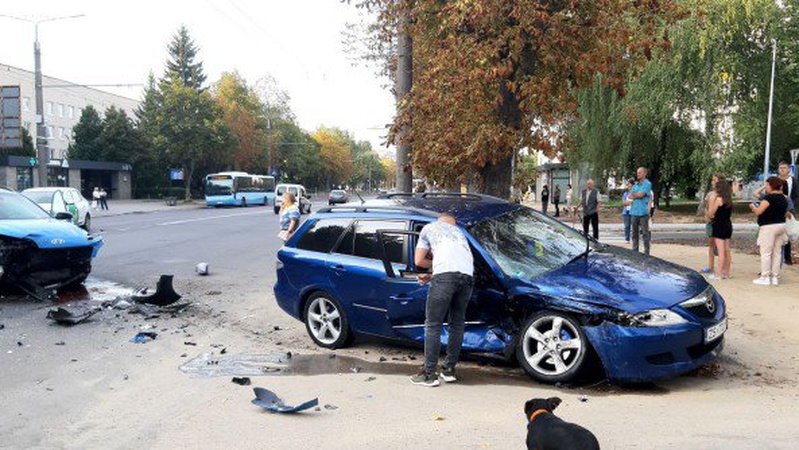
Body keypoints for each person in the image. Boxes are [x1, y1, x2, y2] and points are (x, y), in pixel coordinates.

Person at [411, 213, 474, 387]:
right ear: (453, 223)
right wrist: (434, 273)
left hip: (445, 277)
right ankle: (449, 370)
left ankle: (429, 374)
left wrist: (432, 269)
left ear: (439, 220)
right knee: (457, 324)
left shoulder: (429, 228)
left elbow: (418, 260)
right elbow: (455, 264)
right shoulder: (461, 234)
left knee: (433, 324)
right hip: (467, 278)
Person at [750, 176, 789, 286]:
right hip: (781, 225)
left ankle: (765, 277)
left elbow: (759, 211)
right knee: (777, 252)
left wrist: (753, 207)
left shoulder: (768, 198)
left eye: (767, 185)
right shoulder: (784, 198)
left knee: (766, 252)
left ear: (771, 186)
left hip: (768, 227)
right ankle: (775, 277)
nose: (766, 187)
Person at [706, 179, 733, 280]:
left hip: (719, 225)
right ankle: (726, 272)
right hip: (728, 225)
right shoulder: (729, 200)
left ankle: (718, 274)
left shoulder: (718, 200)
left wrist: (709, 210)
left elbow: (710, 213)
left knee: (720, 251)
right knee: (727, 250)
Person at [701, 175, 724, 274]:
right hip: (710, 222)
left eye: (714, 180)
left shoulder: (724, 195)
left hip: (720, 222)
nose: (712, 182)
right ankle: (710, 266)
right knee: (711, 244)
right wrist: (706, 215)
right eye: (712, 180)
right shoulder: (710, 194)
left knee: (721, 246)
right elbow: (706, 206)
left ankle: (722, 268)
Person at [778, 161, 798, 265]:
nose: (782, 169)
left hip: (790, 210)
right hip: (776, 210)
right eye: (780, 168)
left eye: (784, 168)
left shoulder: (794, 181)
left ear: (789, 169)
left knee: (788, 232)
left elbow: (796, 196)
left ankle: (787, 258)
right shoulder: (774, 181)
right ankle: (777, 258)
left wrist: (791, 209)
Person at [629, 167, 653, 255]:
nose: (637, 174)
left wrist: (636, 195)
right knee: (634, 233)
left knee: (645, 233)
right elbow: (630, 196)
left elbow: (641, 195)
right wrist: (637, 195)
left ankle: (646, 252)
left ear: (645, 173)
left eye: (639, 172)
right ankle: (635, 251)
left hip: (643, 212)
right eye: (637, 172)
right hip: (634, 211)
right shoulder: (635, 184)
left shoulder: (647, 183)